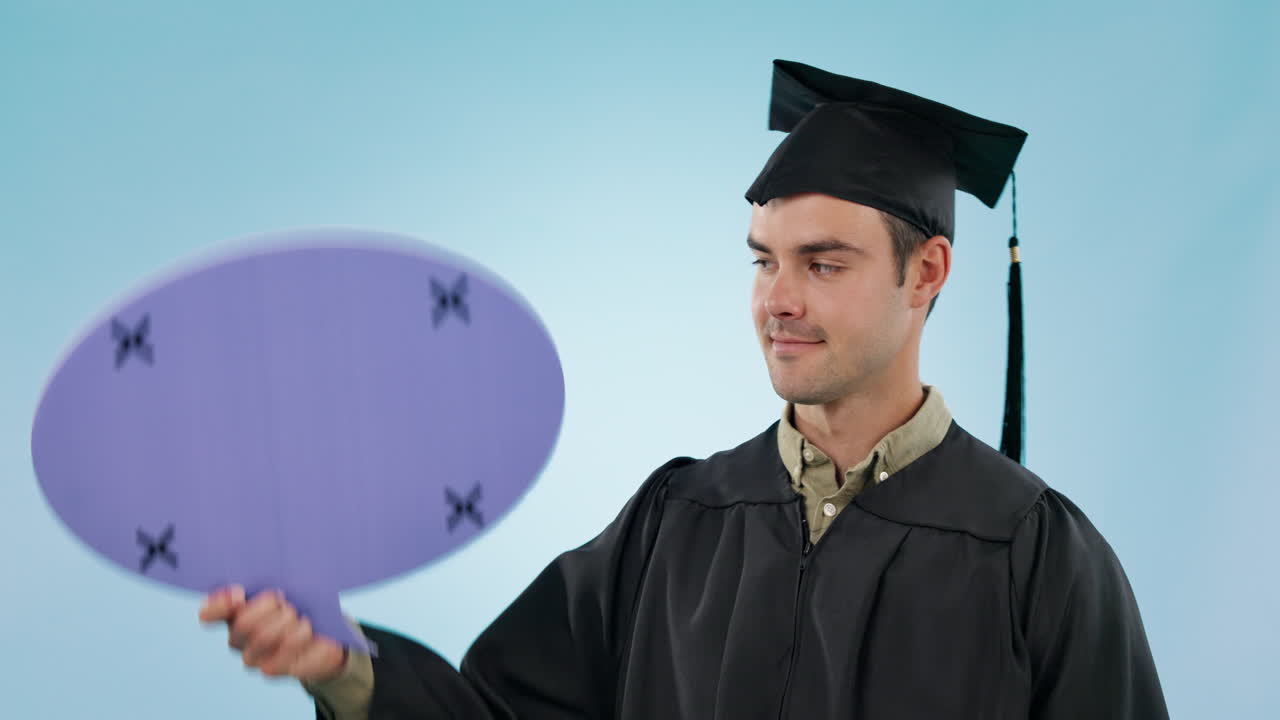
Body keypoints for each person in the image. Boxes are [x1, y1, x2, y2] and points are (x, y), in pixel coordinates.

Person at [199, 59, 1169, 719]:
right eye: (761, 262)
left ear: (926, 276)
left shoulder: (1033, 554)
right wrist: (342, 666)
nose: (775, 301)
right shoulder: (678, 521)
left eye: (821, 264)